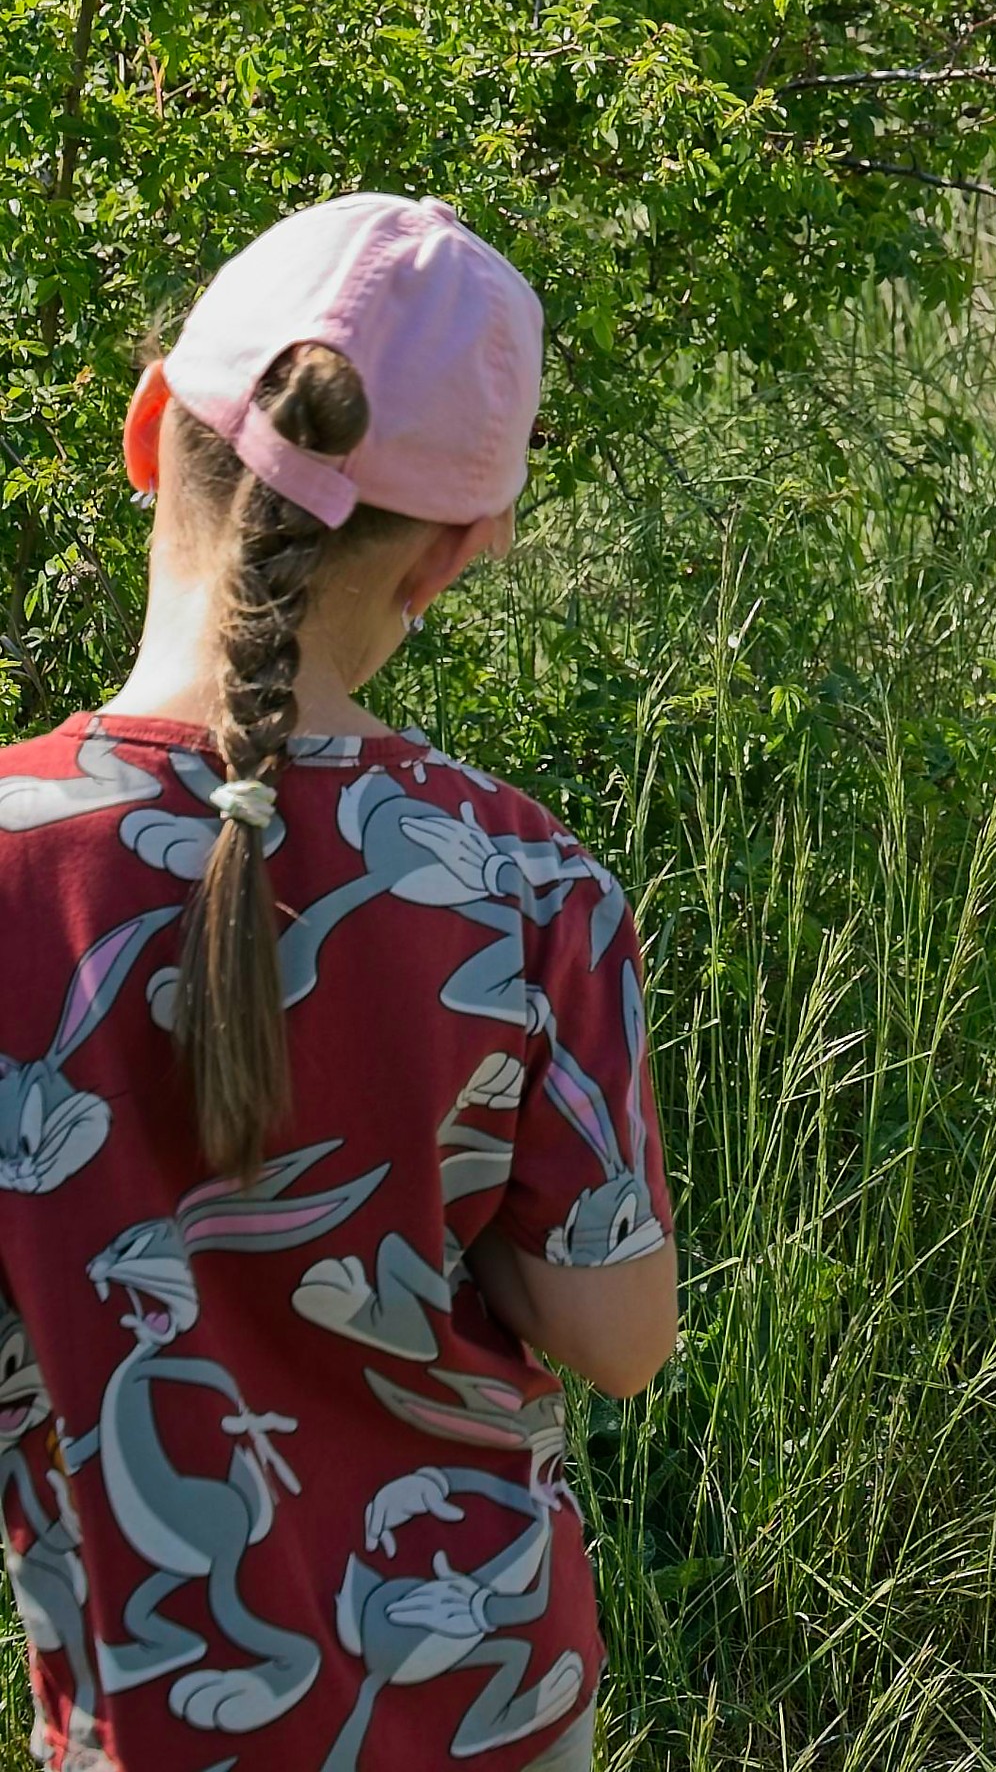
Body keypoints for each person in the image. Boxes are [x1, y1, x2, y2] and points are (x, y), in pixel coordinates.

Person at [0, 191, 675, 1772]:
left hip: (150, 1710)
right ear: (454, 555)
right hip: (488, 1703)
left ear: (147, 425)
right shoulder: (525, 886)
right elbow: (619, 1336)